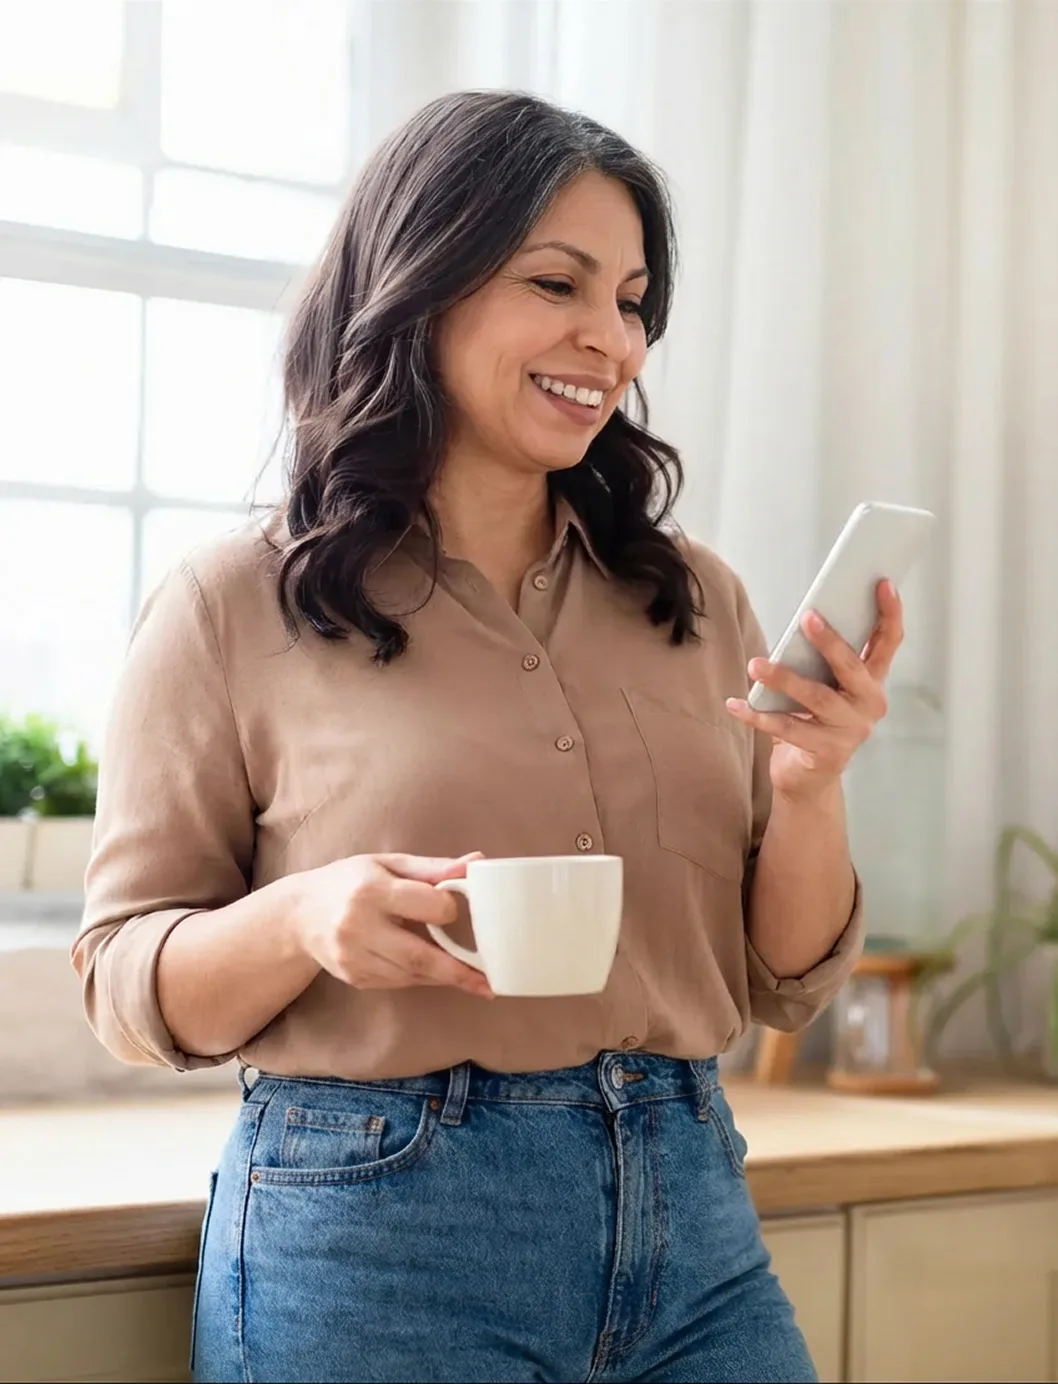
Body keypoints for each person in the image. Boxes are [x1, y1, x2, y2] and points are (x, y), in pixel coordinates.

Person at [72, 90, 898, 1384]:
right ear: (421, 283)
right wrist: (303, 918)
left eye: (631, 300)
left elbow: (777, 980)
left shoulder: (691, 597)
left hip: (691, 1204)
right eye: (555, 283)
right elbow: (125, 984)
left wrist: (807, 786)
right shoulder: (232, 604)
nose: (610, 339)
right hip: (382, 1232)